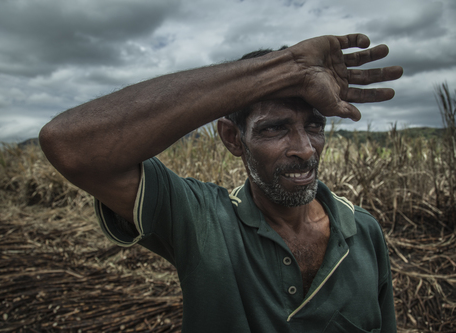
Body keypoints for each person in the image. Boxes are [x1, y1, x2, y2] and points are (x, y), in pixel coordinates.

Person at [39, 33, 403, 332]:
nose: (306, 150)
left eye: (314, 126)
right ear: (232, 138)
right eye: (275, 128)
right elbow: (71, 145)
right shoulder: (202, 220)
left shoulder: (364, 231)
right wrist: (288, 67)